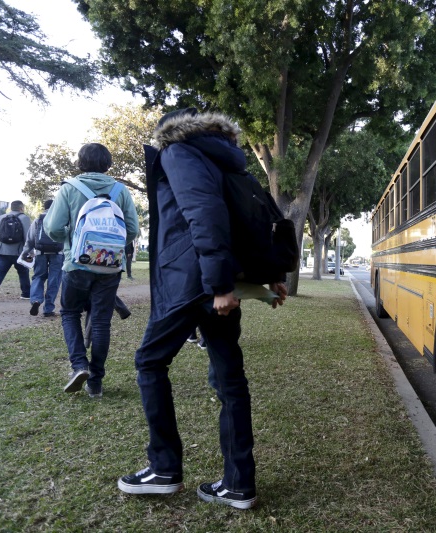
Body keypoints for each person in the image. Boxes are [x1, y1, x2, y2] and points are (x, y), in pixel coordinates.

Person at [117, 109, 286, 509]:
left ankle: (164, 469)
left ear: (169, 131)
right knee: (230, 378)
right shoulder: (227, 157)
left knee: (149, 362)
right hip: (217, 280)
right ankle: (239, 484)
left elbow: (205, 215)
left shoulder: (178, 152)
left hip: (195, 282)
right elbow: (257, 217)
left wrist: (221, 286)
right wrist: (270, 271)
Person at [44, 143, 139, 398]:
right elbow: (132, 230)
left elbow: (52, 227)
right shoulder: (121, 191)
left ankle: (78, 366)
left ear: (80, 162)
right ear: (107, 164)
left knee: (70, 313)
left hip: (77, 264)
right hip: (110, 267)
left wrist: (72, 241)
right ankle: (95, 382)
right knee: (100, 321)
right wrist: (111, 246)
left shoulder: (69, 189)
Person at [0, 200, 32, 302]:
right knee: (23, 272)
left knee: (0, 271)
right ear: (21, 208)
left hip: (2, 251)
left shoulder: (0, 218)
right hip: (19, 251)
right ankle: (26, 293)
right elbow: (28, 236)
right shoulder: (24, 218)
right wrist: (30, 251)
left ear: (11, 208)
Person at [22, 199, 64, 318]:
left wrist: (26, 253)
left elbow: (30, 239)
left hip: (40, 252)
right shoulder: (61, 219)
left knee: (38, 277)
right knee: (54, 280)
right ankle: (48, 309)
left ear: (44, 207)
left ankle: (36, 300)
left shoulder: (38, 219)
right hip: (58, 253)